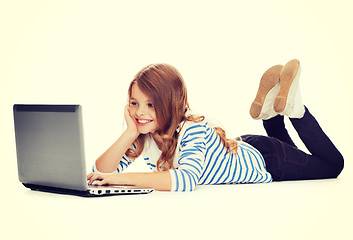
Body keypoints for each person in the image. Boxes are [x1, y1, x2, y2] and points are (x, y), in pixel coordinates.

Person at [87, 59, 344, 192]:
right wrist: (129, 132)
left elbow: (186, 179)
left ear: (171, 104)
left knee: (333, 166)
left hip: (268, 161)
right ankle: (270, 114)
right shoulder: (146, 134)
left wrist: (115, 179)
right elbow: (100, 172)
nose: (140, 112)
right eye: (134, 103)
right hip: (244, 148)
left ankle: (295, 110)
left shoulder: (191, 128)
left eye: (151, 105)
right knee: (292, 151)